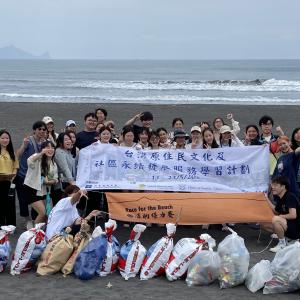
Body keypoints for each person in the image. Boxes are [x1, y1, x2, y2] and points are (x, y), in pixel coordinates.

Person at [15, 120, 47, 228]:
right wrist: (24, 145)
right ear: (34, 130)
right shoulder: (28, 141)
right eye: (39, 129)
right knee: (23, 200)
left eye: (44, 129)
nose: (42, 131)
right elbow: (18, 155)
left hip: (36, 177)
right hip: (23, 175)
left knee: (36, 199)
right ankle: (27, 219)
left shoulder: (44, 142)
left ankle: (35, 220)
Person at [23, 140, 58, 224]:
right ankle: (33, 234)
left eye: (52, 147)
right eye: (47, 147)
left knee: (48, 214)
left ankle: (41, 233)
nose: (50, 149)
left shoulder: (53, 163)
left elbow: (56, 179)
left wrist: (50, 182)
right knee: (42, 213)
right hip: (32, 189)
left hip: (45, 191)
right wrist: (41, 153)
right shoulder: (38, 158)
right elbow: (30, 161)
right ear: (42, 149)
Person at [262, 176, 300, 253]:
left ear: (283, 187)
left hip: (297, 228)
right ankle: (286, 238)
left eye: (275, 185)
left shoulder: (290, 196)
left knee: (276, 220)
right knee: (264, 223)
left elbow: (293, 215)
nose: (272, 187)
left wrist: (280, 216)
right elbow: (276, 210)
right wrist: (266, 199)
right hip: (289, 225)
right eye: (272, 185)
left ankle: (282, 244)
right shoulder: (281, 198)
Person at [0, 130, 19, 226]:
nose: (5, 140)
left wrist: (12, 176)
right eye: (2, 138)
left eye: (7, 138)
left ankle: (10, 226)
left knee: (10, 204)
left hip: (9, 182)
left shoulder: (12, 152)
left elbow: (15, 167)